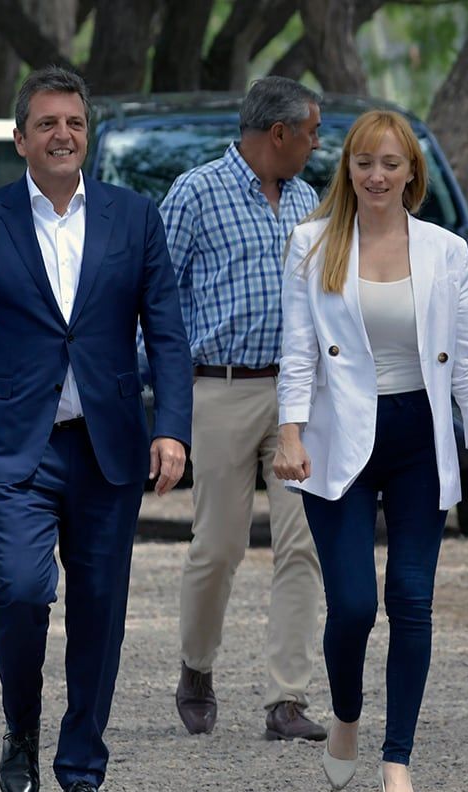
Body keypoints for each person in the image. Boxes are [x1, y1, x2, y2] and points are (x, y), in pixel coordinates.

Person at [0, 66, 191, 792]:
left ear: (87, 133)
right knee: (21, 588)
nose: (62, 135)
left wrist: (171, 426)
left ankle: (81, 772)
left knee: (101, 610)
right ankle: (21, 725)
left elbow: (166, 331)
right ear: (20, 139)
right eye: (46, 123)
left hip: (107, 446)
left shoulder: (134, 217)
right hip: (16, 449)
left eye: (73, 122)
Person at [273, 110, 468, 792]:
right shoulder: (312, 244)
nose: (377, 175)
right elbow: (297, 348)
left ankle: (397, 756)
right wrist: (289, 432)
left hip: (417, 434)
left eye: (391, 164)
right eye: (364, 162)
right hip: (336, 438)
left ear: (412, 174)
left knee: (411, 599)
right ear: (347, 169)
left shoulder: (445, 250)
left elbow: (467, 356)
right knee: (351, 604)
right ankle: (346, 716)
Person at [160, 76, 326, 741]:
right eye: (310, 132)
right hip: (220, 388)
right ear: (278, 133)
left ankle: (287, 698)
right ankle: (196, 667)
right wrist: (167, 406)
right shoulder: (194, 193)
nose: (317, 145)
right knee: (219, 545)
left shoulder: (310, 200)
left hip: (297, 395)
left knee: (302, 543)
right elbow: (159, 303)